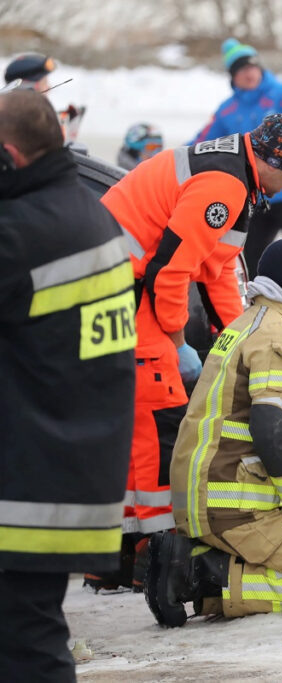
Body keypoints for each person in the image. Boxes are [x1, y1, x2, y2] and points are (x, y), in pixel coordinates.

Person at [91, 114, 282, 591]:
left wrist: (235, 333)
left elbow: (215, 270)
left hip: (121, 286)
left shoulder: (238, 177)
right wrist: (177, 344)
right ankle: (152, 550)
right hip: (119, 292)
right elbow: (171, 271)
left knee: (145, 417)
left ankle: (118, 554)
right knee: (161, 412)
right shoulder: (224, 185)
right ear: (270, 161)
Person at [0, 89, 135, 679]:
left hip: (25, 484)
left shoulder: (23, 232)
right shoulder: (88, 212)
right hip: (67, 473)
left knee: (28, 652)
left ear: (9, 157)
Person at [146, 238, 282, 626]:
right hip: (234, 505)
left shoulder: (247, 322)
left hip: (209, 497)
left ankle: (200, 570)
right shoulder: (277, 335)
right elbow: (275, 436)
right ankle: (199, 576)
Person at [190, 38, 282, 338]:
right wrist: (178, 156)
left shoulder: (277, 93)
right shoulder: (228, 109)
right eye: (242, 70)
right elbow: (205, 139)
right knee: (251, 254)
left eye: (253, 67)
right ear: (233, 76)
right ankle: (258, 309)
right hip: (258, 194)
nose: (249, 73)